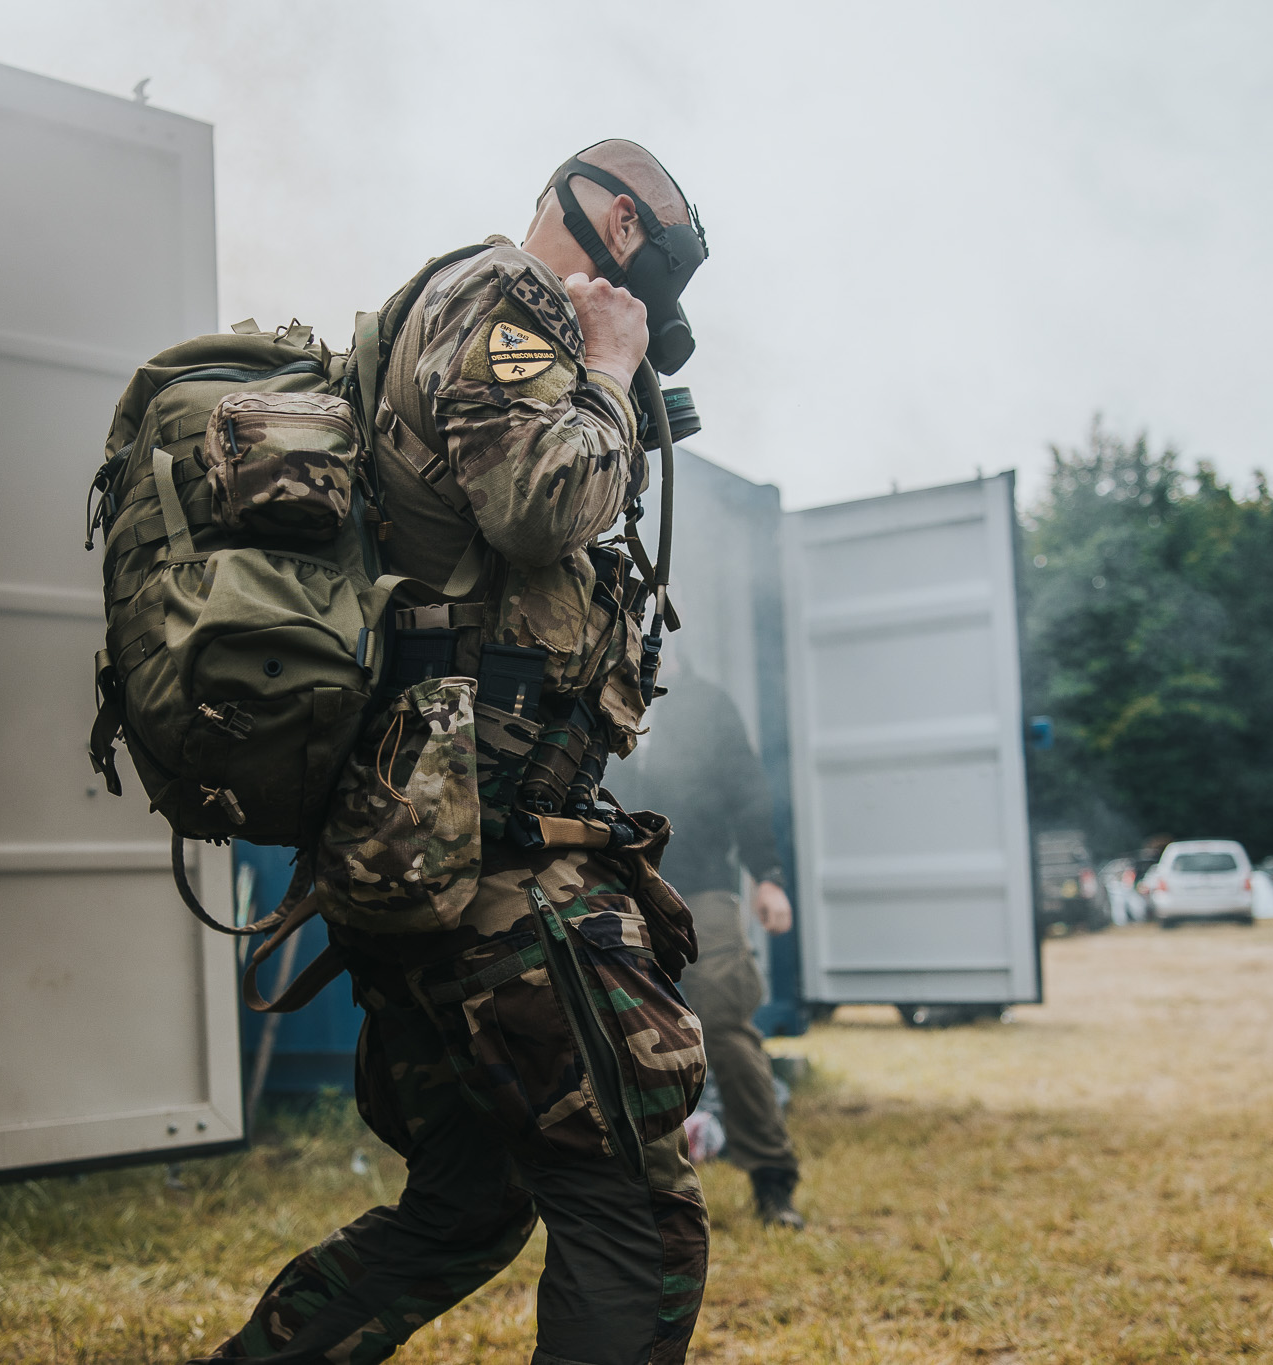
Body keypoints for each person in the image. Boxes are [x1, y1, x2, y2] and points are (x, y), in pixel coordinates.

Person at [202, 140, 713, 1365]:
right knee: (639, 1222)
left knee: (469, 1207)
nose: (643, 328)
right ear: (626, 231)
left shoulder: (450, 326)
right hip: (487, 867)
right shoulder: (506, 301)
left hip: (432, 856)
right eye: (649, 295)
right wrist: (605, 366)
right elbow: (535, 504)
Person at [618, 656, 806, 1229]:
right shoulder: (590, 695)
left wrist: (767, 876)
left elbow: (748, 788)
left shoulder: (705, 702)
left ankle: (773, 1181)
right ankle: (634, 1195)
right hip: (609, 893)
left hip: (700, 888)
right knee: (618, 1038)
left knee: (724, 1026)